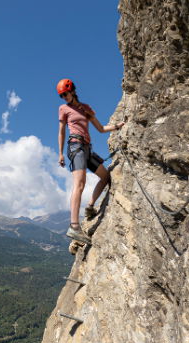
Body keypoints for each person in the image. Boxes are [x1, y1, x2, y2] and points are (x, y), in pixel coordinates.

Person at [56, 78, 124, 244]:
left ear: (72, 91)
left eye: (66, 93)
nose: (64, 97)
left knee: (106, 176)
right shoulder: (64, 109)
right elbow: (61, 132)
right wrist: (60, 154)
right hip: (75, 146)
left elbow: (100, 129)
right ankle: (74, 226)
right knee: (79, 184)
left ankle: (90, 206)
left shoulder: (85, 109)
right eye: (62, 95)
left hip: (87, 149)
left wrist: (118, 126)